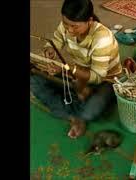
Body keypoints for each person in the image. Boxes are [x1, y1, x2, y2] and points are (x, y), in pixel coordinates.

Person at [30, 0, 122, 139]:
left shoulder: (102, 39)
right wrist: (50, 49)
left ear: (89, 21)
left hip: (105, 80)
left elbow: (97, 77)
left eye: (75, 26)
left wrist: (67, 71)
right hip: (77, 75)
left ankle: (76, 110)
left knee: (89, 112)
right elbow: (55, 41)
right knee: (34, 82)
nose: (69, 30)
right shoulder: (67, 26)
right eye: (66, 24)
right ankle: (75, 115)